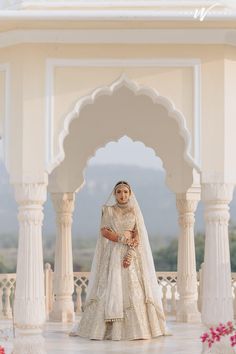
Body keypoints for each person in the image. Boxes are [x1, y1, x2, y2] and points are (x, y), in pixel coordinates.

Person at [70, 180, 170, 340]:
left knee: (134, 289)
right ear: (114, 194)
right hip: (113, 253)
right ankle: (104, 330)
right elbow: (104, 232)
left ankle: (138, 330)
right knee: (109, 287)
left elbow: (138, 232)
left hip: (131, 255)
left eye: (125, 192)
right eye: (119, 192)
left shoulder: (134, 211)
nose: (122, 195)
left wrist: (134, 243)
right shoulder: (108, 210)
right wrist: (122, 238)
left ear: (130, 194)